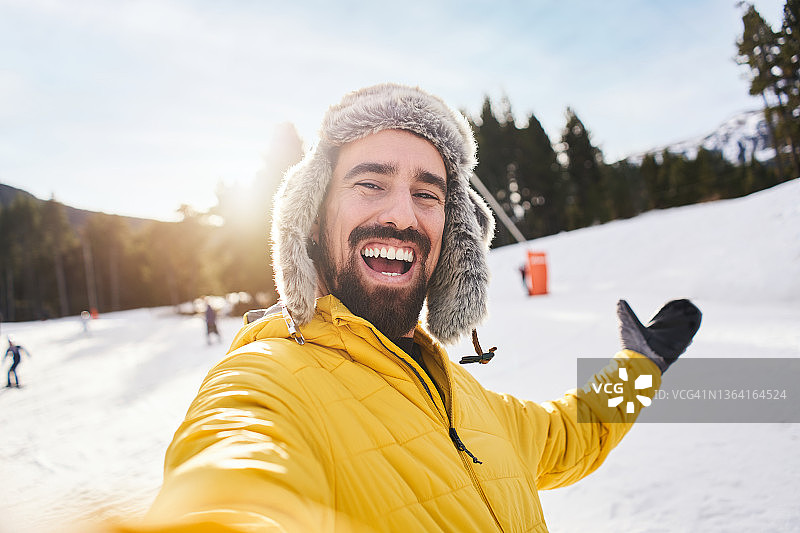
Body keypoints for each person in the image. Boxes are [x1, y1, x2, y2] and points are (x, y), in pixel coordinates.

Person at [117, 84, 701, 532]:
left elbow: (570, 433)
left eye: (427, 193)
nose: (403, 215)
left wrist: (640, 366)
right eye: (371, 183)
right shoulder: (266, 384)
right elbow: (232, 477)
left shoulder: (463, 397)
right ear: (315, 217)